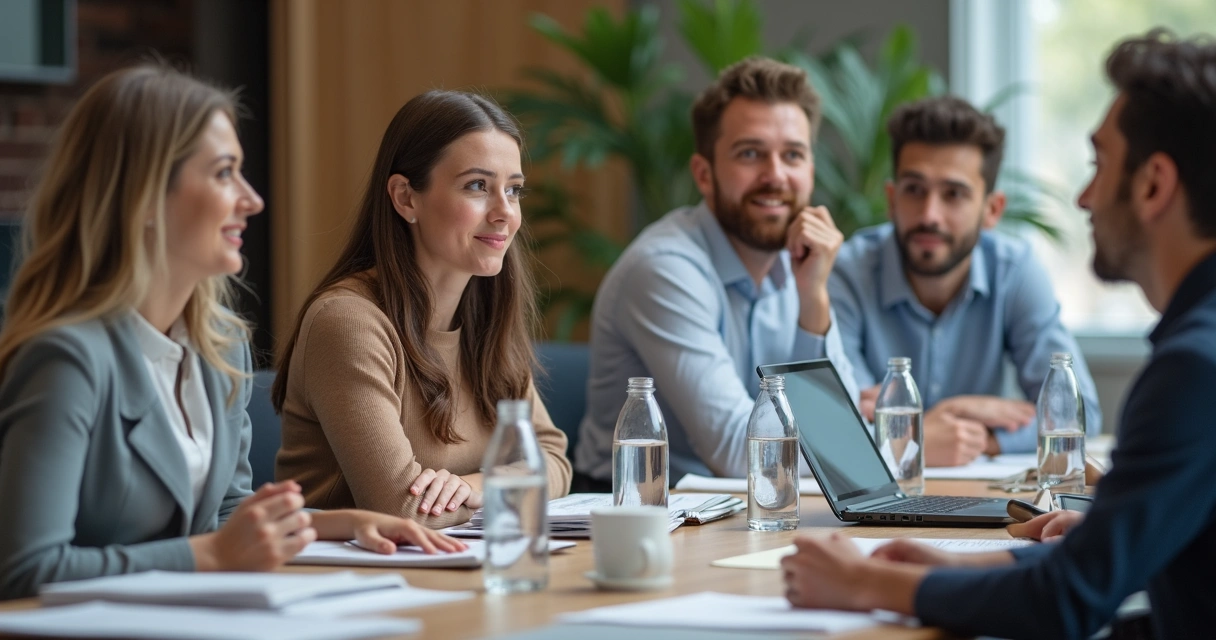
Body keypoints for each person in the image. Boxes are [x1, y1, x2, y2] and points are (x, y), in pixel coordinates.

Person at [782, 30, 1216, 639]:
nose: (1084, 197)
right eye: (914, 189)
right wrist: (981, 563)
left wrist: (866, 584)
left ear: (1153, 185)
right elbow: (1118, 557)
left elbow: (1070, 597)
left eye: (1099, 164)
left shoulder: (1195, 368)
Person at [0, 66, 462, 601]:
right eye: (224, 174)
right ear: (144, 197)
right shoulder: (65, 359)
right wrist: (211, 556)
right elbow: (24, 568)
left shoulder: (218, 347)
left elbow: (221, 512)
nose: (252, 199)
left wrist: (335, 525)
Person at [273, 90, 572, 528]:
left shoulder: (486, 316)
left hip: (453, 566)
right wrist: (512, 481)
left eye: (514, 190)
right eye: (477, 186)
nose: (505, 213)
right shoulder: (348, 322)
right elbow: (402, 508)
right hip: (346, 580)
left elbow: (555, 462)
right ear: (405, 198)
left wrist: (476, 484)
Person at [574, 57, 857, 487]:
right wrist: (845, 448)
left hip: (748, 511)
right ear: (704, 175)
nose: (776, 175)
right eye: (750, 153)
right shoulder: (665, 268)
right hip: (638, 514)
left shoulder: (803, 264)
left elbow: (845, 447)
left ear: (811, 171)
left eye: (793, 155)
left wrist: (813, 299)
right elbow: (739, 454)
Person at [829, 96, 1101, 466]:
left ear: (992, 210)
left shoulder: (1015, 270)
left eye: (953, 194)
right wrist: (925, 438)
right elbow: (845, 422)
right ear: (892, 200)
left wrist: (980, 439)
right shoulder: (846, 271)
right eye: (914, 189)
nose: (930, 214)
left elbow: (1079, 415)